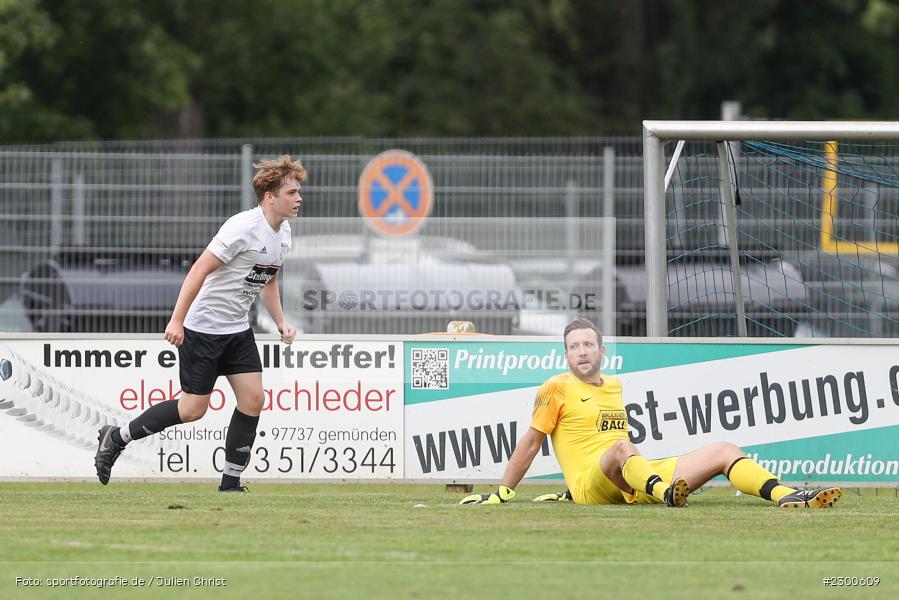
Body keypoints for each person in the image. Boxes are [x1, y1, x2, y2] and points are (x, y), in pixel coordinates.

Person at [461, 318, 841, 509]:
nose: (581, 351)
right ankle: (666, 495)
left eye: (588, 345)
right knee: (623, 447)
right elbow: (531, 443)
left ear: (601, 351)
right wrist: (501, 493)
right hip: (597, 484)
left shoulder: (614, 385)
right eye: (574, 346)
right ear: (565, 355)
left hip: (633, 479)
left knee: (724, 450)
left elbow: (592, 438)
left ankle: (787, 496)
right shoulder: (555, 388)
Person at [94, 155, 307, 492]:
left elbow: (267, 280)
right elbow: (199, 270)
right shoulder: (242, 228)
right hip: (203, 328)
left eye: (298, 192)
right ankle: (116, 437)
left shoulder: (284, 234)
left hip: (237, 329)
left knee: (253, 399)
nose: (298, 199)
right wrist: (177, 321)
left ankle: (231, 483)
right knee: (193, 409)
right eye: (292, 193)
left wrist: (281, 322)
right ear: (270, 196)